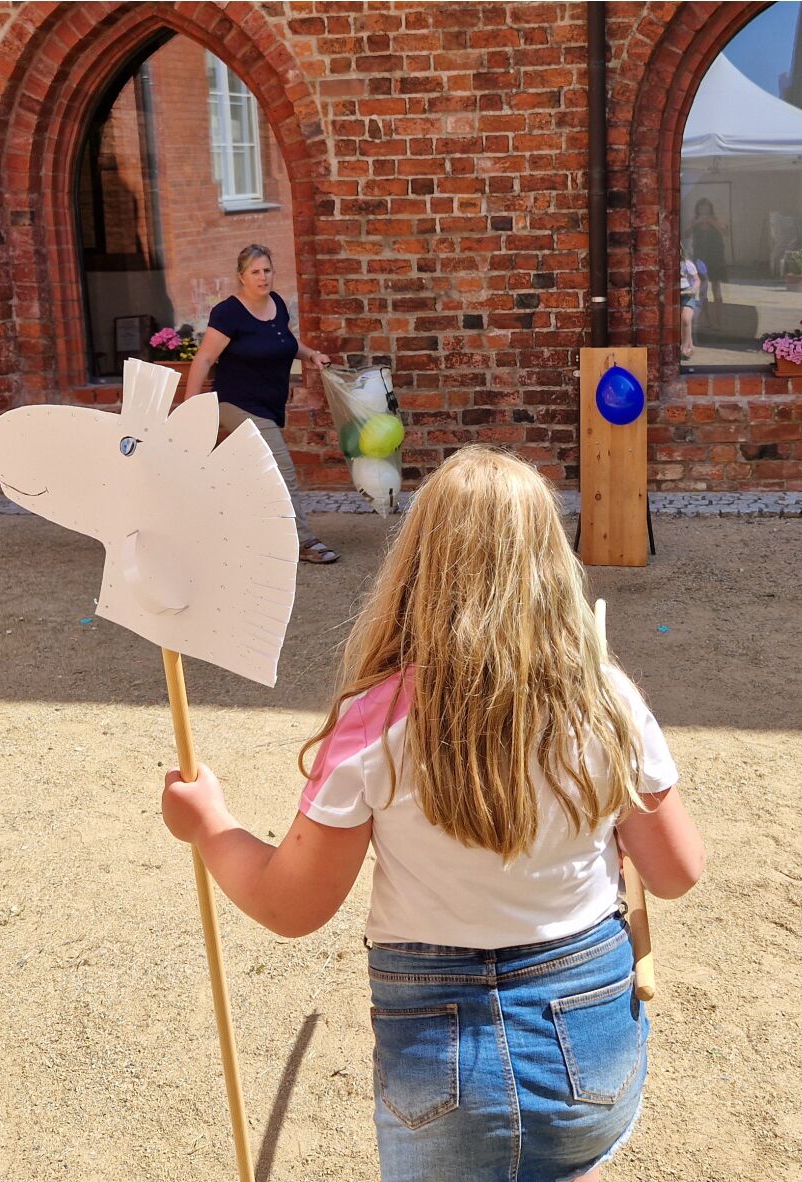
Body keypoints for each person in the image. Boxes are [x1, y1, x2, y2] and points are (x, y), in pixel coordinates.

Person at [162, 446, 706, 1182]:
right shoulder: (608, 700)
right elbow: (676, 872)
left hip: (439, 1049)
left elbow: (291, 906)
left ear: (417, 565)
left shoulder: (373, 719)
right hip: (589, 1030)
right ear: (551, 562)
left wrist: (210, 826)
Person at [185, 243, 340, 564]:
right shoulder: (228, 313)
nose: (262, 277)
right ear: (241, 276)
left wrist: (312, 355)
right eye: (255, 271)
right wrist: (190, 405)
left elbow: (285, 342)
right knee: (282, 467)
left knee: (245, 473)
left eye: (267, 270)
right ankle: (303, 541)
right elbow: (205, 358)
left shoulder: (277, 304)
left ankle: (237, 528)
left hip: (268, 404)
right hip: (235, 402)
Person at [686, 198, 728, 320]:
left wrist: (712, 222)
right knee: (703, 289)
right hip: (700, 259)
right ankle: (706, 319)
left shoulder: (716, 219)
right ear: (698, 209)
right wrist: (696, 223)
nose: (704, 210)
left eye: (706, 207)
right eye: (701, 208)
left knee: (716, 287)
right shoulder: (694, 220)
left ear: (710, 209)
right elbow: (686, 234)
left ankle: (718, 319)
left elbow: (725, 233)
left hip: (715, 257)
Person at [680, 245, 701, 360]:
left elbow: (697, 280)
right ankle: (689, 344)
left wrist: (693, 289)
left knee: (686, 320)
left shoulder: (687, 264)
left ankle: (684, 348)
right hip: (673, 294)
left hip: (687, 295)